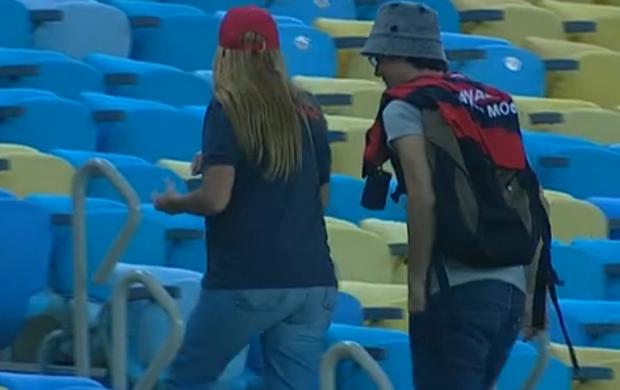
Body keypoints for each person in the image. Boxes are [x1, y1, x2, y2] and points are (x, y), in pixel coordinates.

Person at [359, 3, 560, 389]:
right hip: (511, 292)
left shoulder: (404, 107)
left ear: (398, 53)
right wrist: (534, 297)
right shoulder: (491, 102)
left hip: (456, 289)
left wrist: (416, 284)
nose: (379, 71)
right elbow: (535, 200)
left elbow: (422, 195)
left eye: (378, 59)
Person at [152, 5, 338, 390]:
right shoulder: (309, 109)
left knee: (184, 383)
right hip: (313, 281)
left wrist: (176, 204)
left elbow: (216, 199)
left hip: (248, 279)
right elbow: (319, 200)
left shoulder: (227, 107)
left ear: (225, 54)